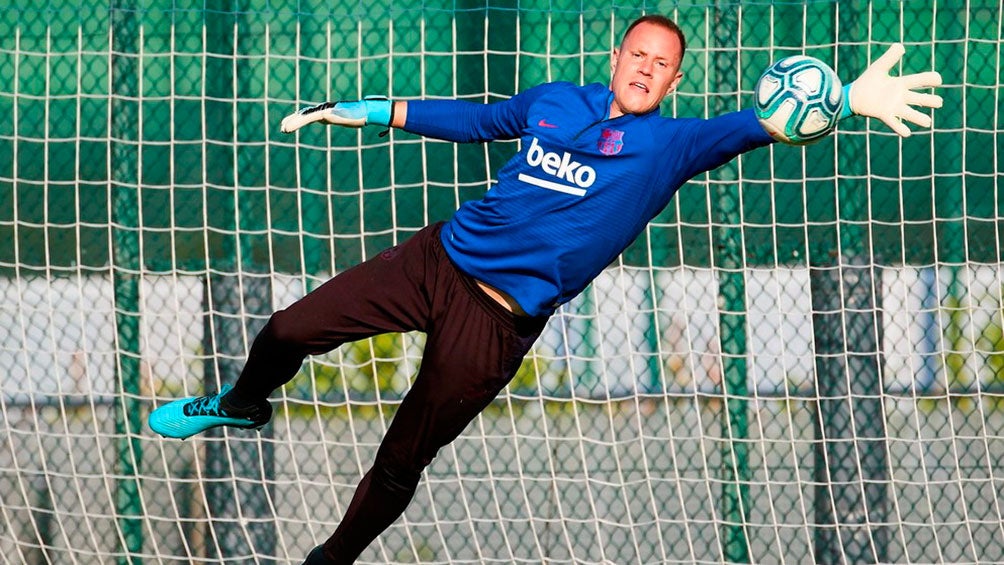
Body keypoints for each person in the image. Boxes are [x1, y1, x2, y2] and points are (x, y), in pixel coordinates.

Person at [148, 14, 942, 564]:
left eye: (663, 65)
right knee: (285, 330)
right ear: (618, 56)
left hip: (494, 327)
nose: (647, 68)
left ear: (672, 83)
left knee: (400, 462)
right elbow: (477, 118)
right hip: (436, 261)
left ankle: (330, 557)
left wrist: (847, 102)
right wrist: (369, 111)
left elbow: (758, 123)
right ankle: (243, 400)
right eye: (638, 54)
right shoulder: (557, 99)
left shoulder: (670, 145)